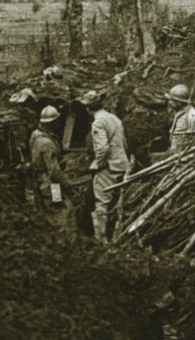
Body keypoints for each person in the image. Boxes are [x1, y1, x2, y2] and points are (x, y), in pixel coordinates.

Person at [80, 90, 129, 243]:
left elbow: (102, 148)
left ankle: (101, 240)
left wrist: (97, 164)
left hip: (109, 168)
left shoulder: (98, 122)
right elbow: (124, 143)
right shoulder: (113, 118)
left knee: (101, 204)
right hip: (122, 166)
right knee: (117, 202)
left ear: (88, 109)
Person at [29, 105, 75, 232]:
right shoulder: (47, 144)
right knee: (61, 209)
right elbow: (54, 171)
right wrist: (67, 183)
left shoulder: (35, 135)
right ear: (52, 123)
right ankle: (64, 237)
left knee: (45, 212)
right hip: (51, 184)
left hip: (38, 180)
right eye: (56, 122)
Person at [165, 84, 195, 154]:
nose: (169, 102)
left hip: (183, 152)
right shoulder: (181, 111)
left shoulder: (191, 115)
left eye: (172, 100)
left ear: (179, 102)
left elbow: (188, 138)